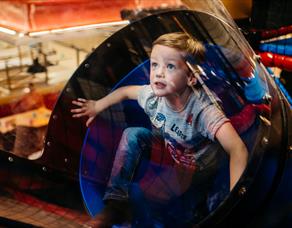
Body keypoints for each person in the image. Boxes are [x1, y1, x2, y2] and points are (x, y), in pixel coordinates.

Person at [71, 32, 248, 226]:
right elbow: (125, 92)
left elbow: (237, 149)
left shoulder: (203, 111)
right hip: (171, 152)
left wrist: (235, 197)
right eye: (154, 64)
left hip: (201, 168)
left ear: (191, 77)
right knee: (133, 135)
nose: (158, 73)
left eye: (170, 66)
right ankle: (116, 205)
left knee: (194, 210)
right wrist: (97, 106)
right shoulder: (152, 96)